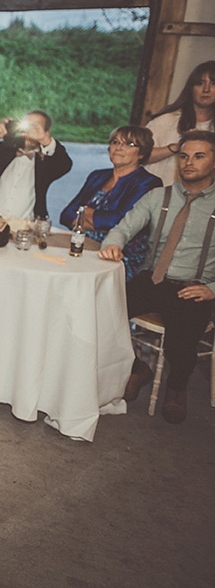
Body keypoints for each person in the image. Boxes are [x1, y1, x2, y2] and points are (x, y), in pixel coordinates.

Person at [99, 130, 215, 424]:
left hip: (194, 287)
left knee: (181, 342)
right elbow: (124, 228)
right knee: (104, 311)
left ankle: (176, 387)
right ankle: (138, 367)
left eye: (199, 156)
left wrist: (212, 289)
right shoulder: (158, 196)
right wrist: (113, 243)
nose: (189, 163)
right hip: (152, 279)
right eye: (184, 156)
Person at [60, 126, 163, 280]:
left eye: (129, 144)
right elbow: (66, 215)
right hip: (83, 246)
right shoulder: (97, 176)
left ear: (141, 153)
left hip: (119, 254)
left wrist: (86, 214)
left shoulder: (148, 182)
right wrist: (97, 221)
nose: (119, 148)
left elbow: (120, 220)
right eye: (115, 142)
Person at [0, 110, 72, 220]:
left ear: (46, 133)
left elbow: (65, 165)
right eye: (27, 125)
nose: (30, 131)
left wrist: (45, 140)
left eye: (35, 127)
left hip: (25, 227)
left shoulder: (45, 164)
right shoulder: (5, 154)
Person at [144, 61, 215, 186]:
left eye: (213, 84)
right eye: (200, 83)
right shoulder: (167, 119)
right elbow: (139, 155)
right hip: (155, 193)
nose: (206, 89)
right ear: (191, 88)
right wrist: (175, 148)